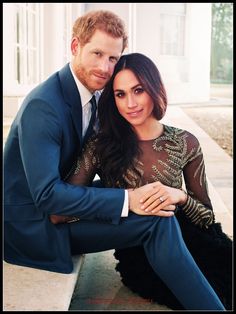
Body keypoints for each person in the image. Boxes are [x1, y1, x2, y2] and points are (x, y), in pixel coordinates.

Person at [4, 10, 173, 275]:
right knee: (157, 221)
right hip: (35, 227)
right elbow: (47, 195)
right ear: (75, 46)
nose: (105, 68)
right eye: (97, 54)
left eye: (113, 58)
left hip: (63, 202)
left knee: (152, 196)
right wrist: (128, 199)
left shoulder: (93, 95)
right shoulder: (43, 106)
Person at [63, 53, 232, 310]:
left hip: (193, 239)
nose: (130, 103)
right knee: (213, 296)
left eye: (138, 90)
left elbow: (206, 217)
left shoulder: (185, 143)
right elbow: (68, 203)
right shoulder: (101, 146)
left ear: (154, 89)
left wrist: (180, 196)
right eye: (120, 94)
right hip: (141, 252)